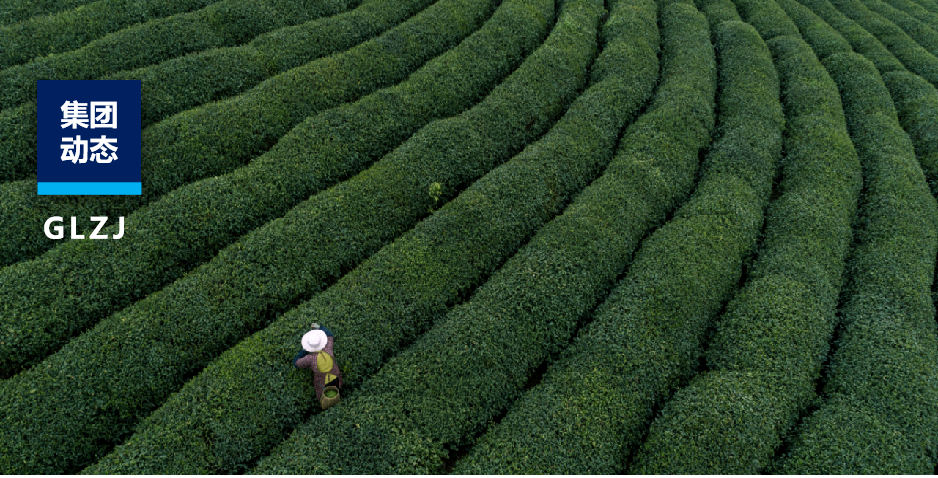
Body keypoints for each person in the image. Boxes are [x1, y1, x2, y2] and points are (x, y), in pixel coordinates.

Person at [293, 323, 343, 409]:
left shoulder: (310, 359)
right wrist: (319, 327)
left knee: (326, 400)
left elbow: (296, 363)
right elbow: (330, 335)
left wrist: (303, 351)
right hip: (336, 379)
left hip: (323, 384)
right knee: (336, 392)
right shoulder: (328, 349)